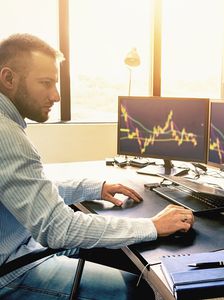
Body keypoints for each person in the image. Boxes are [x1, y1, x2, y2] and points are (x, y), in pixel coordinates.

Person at [0, 33, 195, 299]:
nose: (56, 96)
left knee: (115, 253)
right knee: (143, 289)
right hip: (14, 271)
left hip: (22, 249)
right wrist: (152, 226)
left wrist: (94, 188)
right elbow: (59, 229)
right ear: (8, 78)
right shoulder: (6, 134)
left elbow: (30, 191)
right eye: (46, 83)